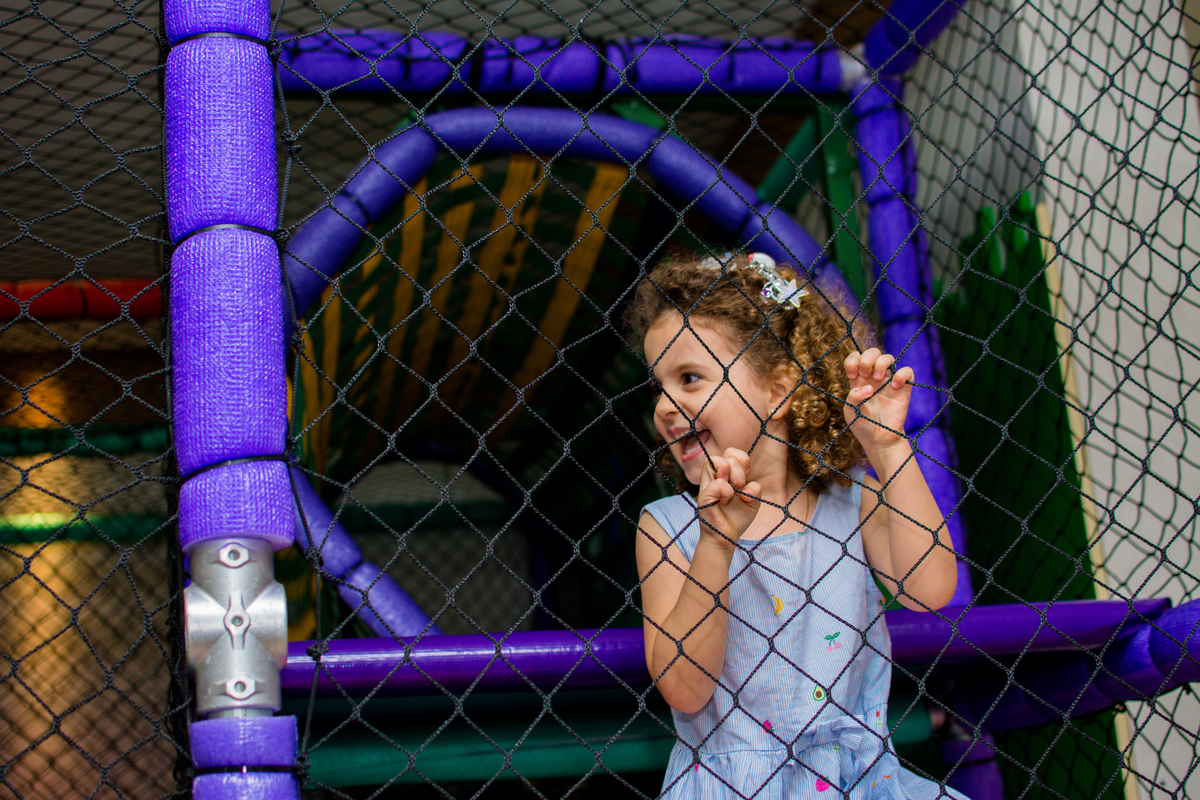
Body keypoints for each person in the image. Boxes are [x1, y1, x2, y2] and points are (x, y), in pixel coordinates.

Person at [626, 251, 963, 800]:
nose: (666, 405)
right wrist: (717, 540)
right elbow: (685, 690)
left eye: (689, 378)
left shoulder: (853, 503)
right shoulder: (670, 528)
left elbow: (929, 590)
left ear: (780, 389)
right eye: (659, 386)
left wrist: (888, 449)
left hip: (859, 782)